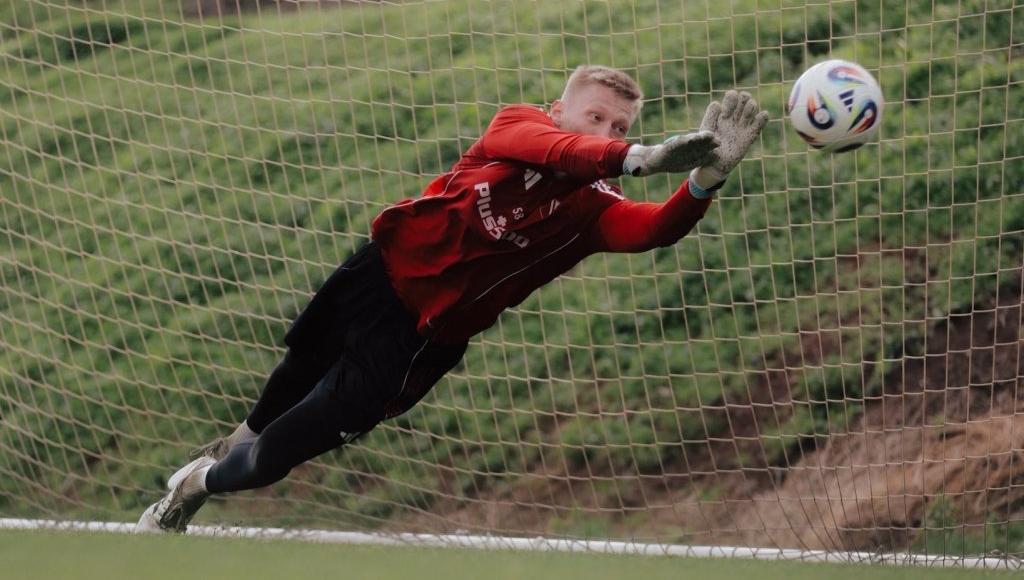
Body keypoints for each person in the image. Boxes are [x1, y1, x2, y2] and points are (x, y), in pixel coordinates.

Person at [135, 65, 769, 533]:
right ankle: (225, 447)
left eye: (621, 125)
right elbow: (559, 151)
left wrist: (706, 178)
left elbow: (654, 229)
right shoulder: (518, 125)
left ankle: (197, 486)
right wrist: (635, 155)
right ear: (557, 109)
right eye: (595, 117)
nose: (606, 129)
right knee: (295, 371)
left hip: (417, 340)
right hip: (374, 275)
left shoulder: (594, 210)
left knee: (276, 456)